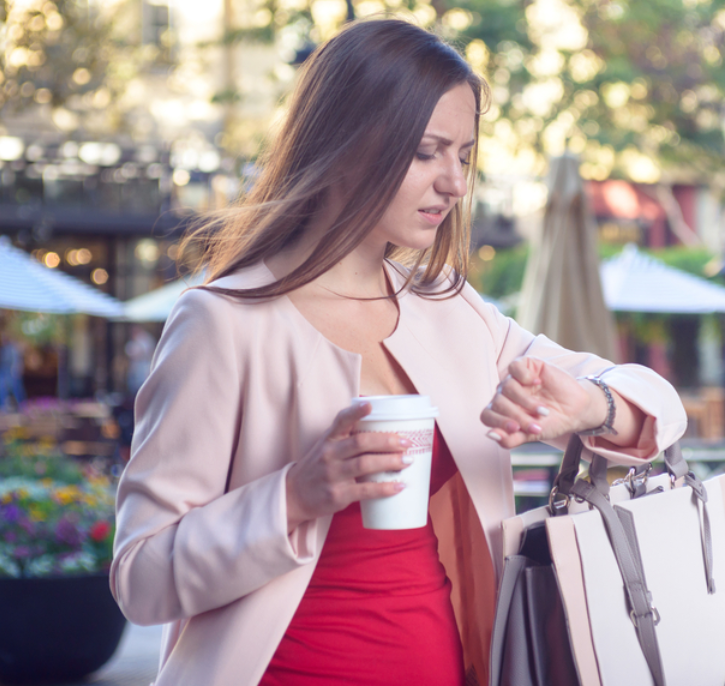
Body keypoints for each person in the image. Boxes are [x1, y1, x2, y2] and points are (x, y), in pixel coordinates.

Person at [110, 19, 686, 686]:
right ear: (343, 145)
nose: (455, 183)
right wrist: (295, 495)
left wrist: (591, 404)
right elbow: (139, 577)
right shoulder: (223, 322)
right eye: (426, 151)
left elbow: (659, 405)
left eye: (465, 156)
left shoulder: (450, 309)